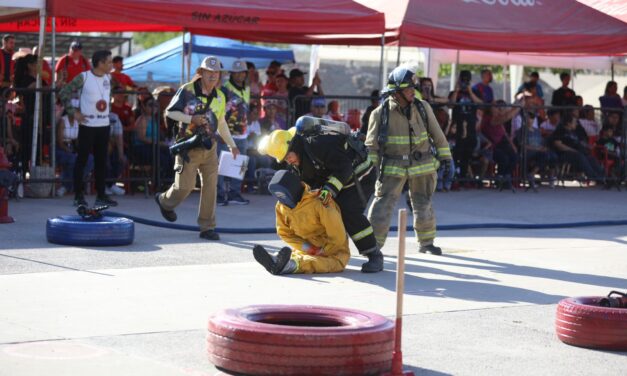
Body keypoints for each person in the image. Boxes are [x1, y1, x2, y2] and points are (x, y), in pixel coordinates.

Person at [259, 118, 383, 273]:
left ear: (293, 145)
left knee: (348, 211)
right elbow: (311, 181)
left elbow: (344, 168)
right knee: (320, 208)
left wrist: (329, 190)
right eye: (285, 159)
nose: (289, 161)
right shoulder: (299, 159)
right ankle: (323, 250)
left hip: (360, 174)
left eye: (289, 156)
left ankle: (374, 254)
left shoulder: (319, 145)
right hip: (339, 178)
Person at [366, 66, 452, 255]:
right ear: (396, 92)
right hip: (392, 167)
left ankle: (427, 243)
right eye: (408, 89)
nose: (413, 91)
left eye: (414, 88)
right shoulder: (380, 114)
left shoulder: (423, 108)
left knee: (424, 204)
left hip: (422, 166)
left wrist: (446, 158)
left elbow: (438, 135)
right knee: (383, 205)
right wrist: (371, 170)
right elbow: (372, 146)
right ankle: (373, 248)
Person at [154, 56, 240, 241]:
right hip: (188, 147)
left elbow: (222, 122)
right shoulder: (187, 90)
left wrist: (232, 145)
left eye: (216, 72)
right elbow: (170, 112)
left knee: (211, 187)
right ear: (201, 73)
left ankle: (207, 227)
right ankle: (165, 202)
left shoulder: (221, 95)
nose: (213, 75)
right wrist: (190, 119)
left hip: (210, 147)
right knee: (184, 187)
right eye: (209, 72)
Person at [252, 170, 350, 275]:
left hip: (333, 252)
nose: (283, 201)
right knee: (299, 257)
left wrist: (323, 251)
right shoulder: (282, 206)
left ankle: (289, 266)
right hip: (307, 250)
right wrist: (309, 248)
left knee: (317, 263)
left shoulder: (320, 201)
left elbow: (338, 236)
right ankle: (277, 262)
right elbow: (285, 233)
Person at [59, 50, 117, 207]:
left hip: (103, 126)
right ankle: (78, 195)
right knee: (82, 160)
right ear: (100, 63)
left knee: (101, 161)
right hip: (87, 126)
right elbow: (64, 93)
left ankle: (101, 195)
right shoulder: (83, 77)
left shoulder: (108, 77)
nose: (112, 65)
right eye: (110, 62)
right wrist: (74, 113)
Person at [218, 59, 250, 206]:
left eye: (242, 72)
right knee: (221, 165)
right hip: (226, 133)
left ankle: (234, 194)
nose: (240, 75)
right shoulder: (224, 89)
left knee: (239, 165)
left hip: (242, 133)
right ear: (232, 74)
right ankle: (219, 195)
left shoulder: (246, 89)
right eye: (237, 72)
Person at [449, 70, 482, 183]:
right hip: (457, 127)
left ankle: (463, 178)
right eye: (463, 79)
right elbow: (451, 104)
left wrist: (470, 92)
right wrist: (457, 91)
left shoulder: (475, 92)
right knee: (457, 152)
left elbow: (481, 104)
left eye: (467, 80)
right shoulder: (454, 92)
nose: (464, 82)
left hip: (470, 127)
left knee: (467, 154)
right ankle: (454, 177)